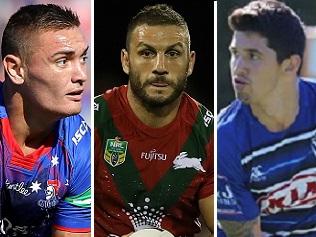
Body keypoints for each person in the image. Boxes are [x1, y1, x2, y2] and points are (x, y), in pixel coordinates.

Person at [94, 4, 214, 237]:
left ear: (190, 63)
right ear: (126, 61)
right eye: (147, 53)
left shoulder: (210, 134)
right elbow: (68, 221)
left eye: (172, 53)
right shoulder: (93, 120)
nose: (160, 67)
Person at [217, 0, 316, 236]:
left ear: (290, 65)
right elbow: (245, 233)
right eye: (235, 54)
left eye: (253, 55)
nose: (238, 68)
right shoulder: (225, 141)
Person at [0, 4, 91, 237]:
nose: (81, 75)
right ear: (16, 69)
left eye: (83, 58)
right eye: (62, 61)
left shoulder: (82, 150)